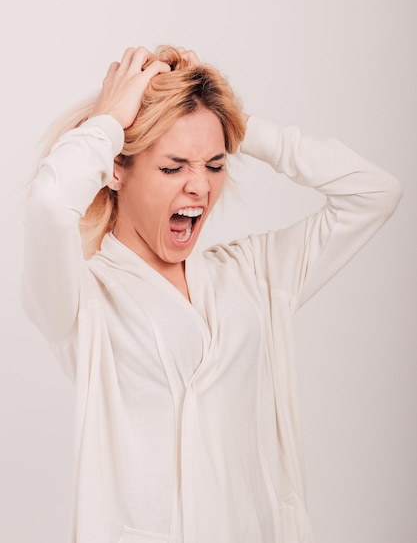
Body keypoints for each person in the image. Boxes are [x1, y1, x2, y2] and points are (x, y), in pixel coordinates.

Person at [22, 45, 402, 543]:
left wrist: (232, 122)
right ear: (116, 169)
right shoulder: (81, 299)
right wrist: (109, 120)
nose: (199, 188)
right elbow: (51, 202)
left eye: (215, 166)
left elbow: (375, 192)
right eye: (173, 167)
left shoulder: (253, 275)